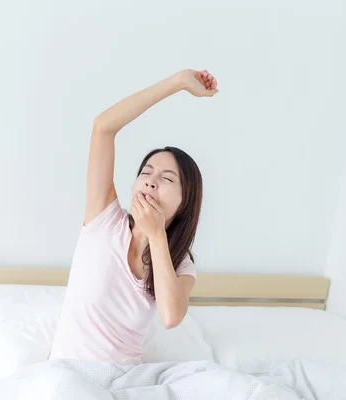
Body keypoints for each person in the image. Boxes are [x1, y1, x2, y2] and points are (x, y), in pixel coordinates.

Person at [49, 69, 219, 365]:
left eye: (167, 179)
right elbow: (103, 127)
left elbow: (170, 316)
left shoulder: (180, 262)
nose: (151, 182)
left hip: (130, 380)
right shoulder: (104, 219)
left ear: (184, 200)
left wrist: (156, 236)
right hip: (71, 376)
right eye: (146, 173)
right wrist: (178, 82)